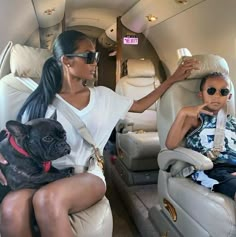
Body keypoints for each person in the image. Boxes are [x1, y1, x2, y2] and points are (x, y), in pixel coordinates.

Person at [0, 30, 199, 237]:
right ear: (66, 61)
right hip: (43, 175)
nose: (96, 61)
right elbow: (14, 138)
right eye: (89, 56)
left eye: (96, 56)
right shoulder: (39, 101)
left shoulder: (104, 97)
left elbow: (140, 106)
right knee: (10, 207)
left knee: (47, 199)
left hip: (85, 174)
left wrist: (172, 79)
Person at [166, 72, 236, 200]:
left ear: (229, 96)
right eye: (211, 90)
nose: (217, 95)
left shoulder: (233, 122)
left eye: (223, 92)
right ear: (201, 94)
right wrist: (183, 113)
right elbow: (170, 144)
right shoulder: (195, 119)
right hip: (214, 169)